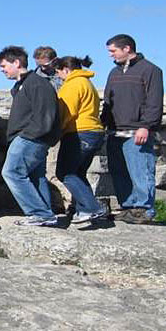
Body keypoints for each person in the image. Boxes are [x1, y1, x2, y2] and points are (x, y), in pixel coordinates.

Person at [0, 46, 62, 227]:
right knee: (35, 176)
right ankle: (46, 214)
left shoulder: (37, 83)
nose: (2, 70)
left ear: (17, 62)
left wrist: (28, 135)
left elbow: (46, 116)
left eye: (4, 66)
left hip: (30, 138)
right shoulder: (23, 84)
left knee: (11, 172)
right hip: (30, 137)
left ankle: (40, 213)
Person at [101, 34, 163, 224]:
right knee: (119, 172)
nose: (111, 55)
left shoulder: (150, 70)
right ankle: (128, 207)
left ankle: (144, 209)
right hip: (114, 131)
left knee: (141, 171)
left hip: (137, 132)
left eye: (113, 51)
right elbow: (108, 100)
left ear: (126, 48)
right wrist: (104, 122)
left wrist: (146, 126)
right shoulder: (114, 72)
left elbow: (154, 101)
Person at [52, 56, 108, 224]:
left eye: (58, 72)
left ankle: (93, 208)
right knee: (77, 173)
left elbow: (66, 111)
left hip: (79, 132)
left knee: (65, 172)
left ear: (66, 70)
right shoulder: (87, 83)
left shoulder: (72, 85)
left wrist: (56, 131)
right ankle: (84, 209)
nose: (58, 76)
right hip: (94, 131)